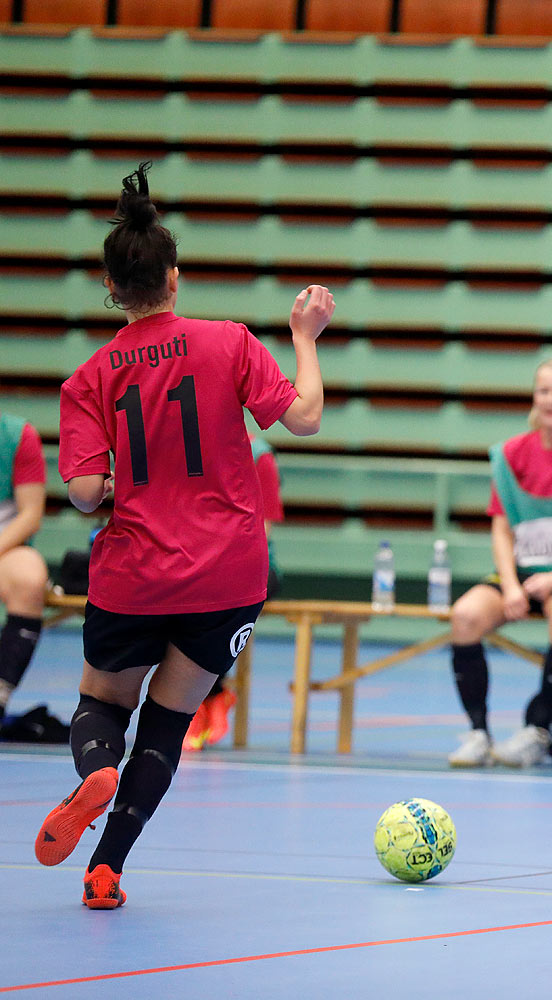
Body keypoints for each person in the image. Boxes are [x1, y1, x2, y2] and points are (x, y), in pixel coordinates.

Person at [36, 162, 333, 909]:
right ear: (175, 278)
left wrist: (109, 485)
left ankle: (96, 767)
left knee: (103, 703)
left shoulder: (88, 379)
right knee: (169, 724)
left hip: (135, 571)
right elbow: (303, 417)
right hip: (228, 574)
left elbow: (77, 494)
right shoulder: (227, 342)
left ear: (111, 288)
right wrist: (305, 336)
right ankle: (106, 868)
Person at [446, 356, 552, 768]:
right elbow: (502, 529)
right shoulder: (509, 455)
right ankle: (477, 733)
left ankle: (537, 730)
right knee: (465, 615)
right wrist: (509, 585)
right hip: (521, 574)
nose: (551, 399)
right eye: (544, 390)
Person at [182, 435, 283, 752]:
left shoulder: (258, 454)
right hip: (194, 560)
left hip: (251, 560)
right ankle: (210, 696)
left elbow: (262, 528)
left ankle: (197, 700)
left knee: (214, 588)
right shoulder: (186, 446)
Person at [0, 410, 48, 722]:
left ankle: (1, 693)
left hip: (6, 546)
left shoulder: (17, 435)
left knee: (31, 577)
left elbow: (30, 514)